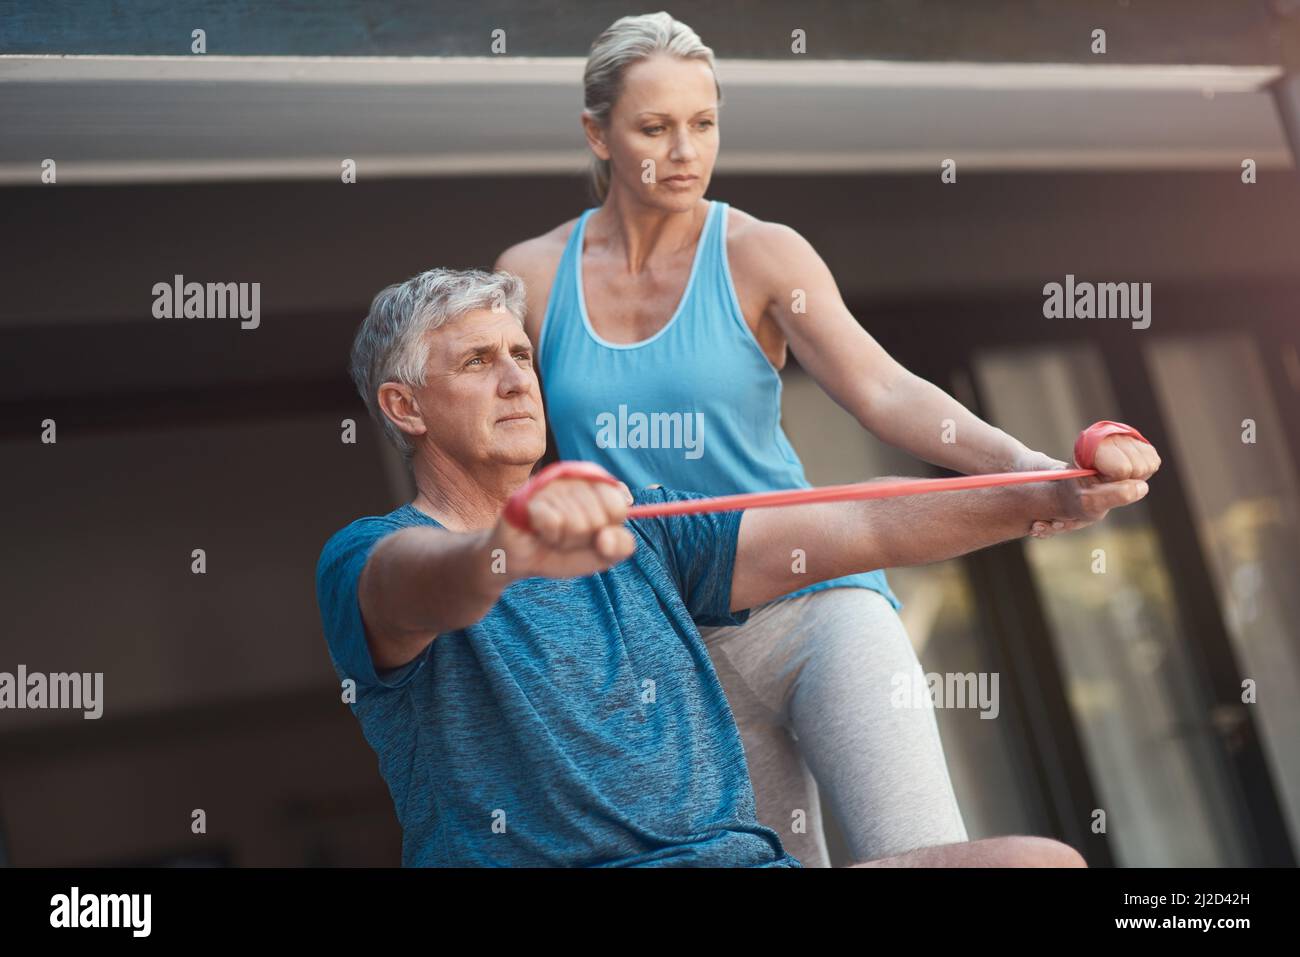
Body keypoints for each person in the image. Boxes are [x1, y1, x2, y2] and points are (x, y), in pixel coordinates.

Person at [492, 11, 1162, 866]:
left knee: (920, 854)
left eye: (704, 123)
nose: (687, 150)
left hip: (816, 607)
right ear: (597, 133)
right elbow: (502, 439)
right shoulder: (532, 275)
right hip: (666, 646)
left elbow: (882, 391)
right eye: (655, 127)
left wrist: (1034, 470)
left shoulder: (762, 254)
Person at [314, 266, 1157, 867]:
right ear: (403, 406)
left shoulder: (639, 528)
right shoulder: (368, 557)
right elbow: (432, 582)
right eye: (476, 361)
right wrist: (510, 547)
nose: (514, 380)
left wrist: (1050, 494)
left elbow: (861, 519)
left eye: (520, 356)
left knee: (1038, 865)